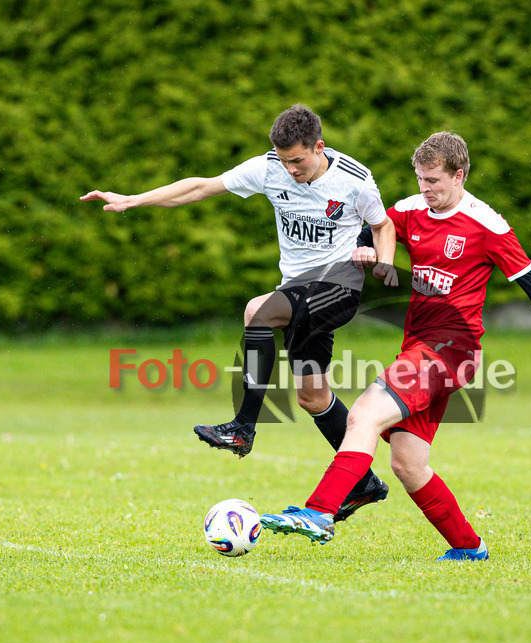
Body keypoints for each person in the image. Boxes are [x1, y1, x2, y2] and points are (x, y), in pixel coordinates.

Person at [260, 131, 531, 560]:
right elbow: (375, 228)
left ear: (459, 176)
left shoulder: (487, 225)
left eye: (434, 181)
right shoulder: (411, 209)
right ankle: (468, 547)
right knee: (407, 463)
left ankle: (318, 512)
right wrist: (367, 250)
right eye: (420, 179)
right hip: (418, 346)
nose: (425, 190)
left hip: (453, 349)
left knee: (365, 413)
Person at [81, 104, 399, 522]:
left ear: (319, 147)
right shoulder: (268, 169)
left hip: (339, 288)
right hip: (297, 291)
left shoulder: (354, 181)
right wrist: (135, 200)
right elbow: (201, 187)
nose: (290, 171)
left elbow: (383, 225)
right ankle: (363, 484)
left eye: (298, 161)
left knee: (257, 311)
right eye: (284, 162)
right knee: (312, 396)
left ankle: (243, 427)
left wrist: (384, 262)